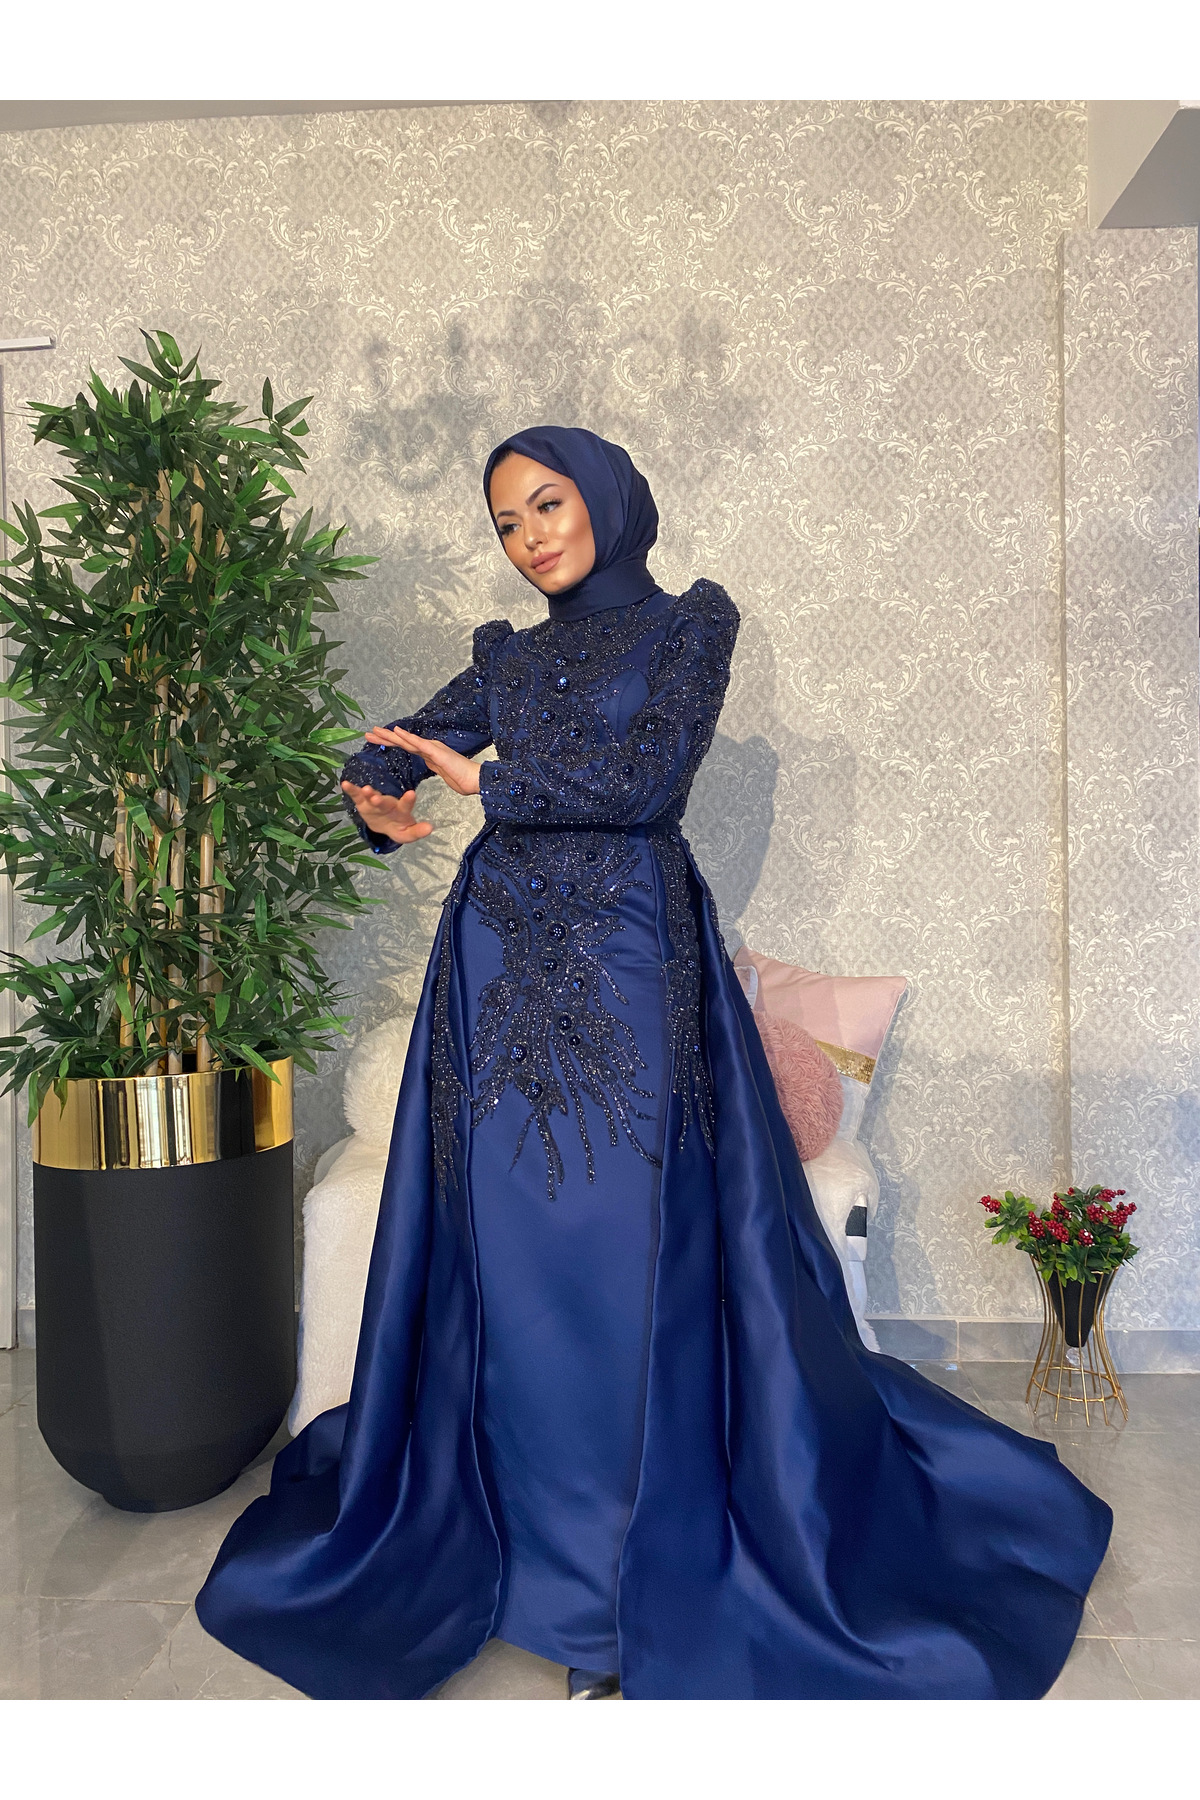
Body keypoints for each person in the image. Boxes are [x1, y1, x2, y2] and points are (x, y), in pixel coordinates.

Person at [196, 425, 1112, 1700]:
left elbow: (645, 779)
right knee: (513, 1250)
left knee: (621, 1251)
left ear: (607, 497)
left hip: (631, 957)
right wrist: (376, 788)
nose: (529, 539)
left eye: (547, 504)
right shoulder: (506, 655)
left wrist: (485, 781)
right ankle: (528, 1553)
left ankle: (627, 1583)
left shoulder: (692, 626)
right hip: (498, 966)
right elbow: (407, 742)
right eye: (507, 523)